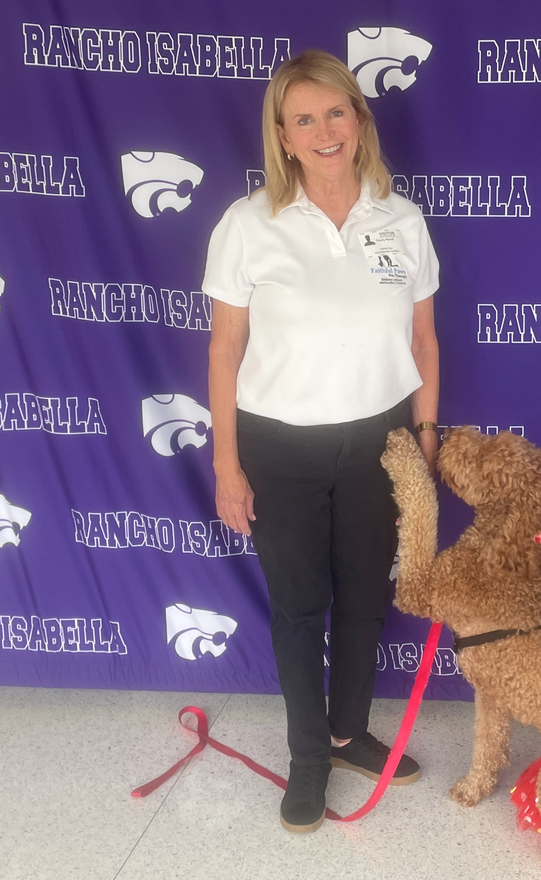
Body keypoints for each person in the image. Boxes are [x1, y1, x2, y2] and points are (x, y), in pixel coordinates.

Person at [203, 50, 440, 832]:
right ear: (284, 134)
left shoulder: (400, 218)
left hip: (379, 441)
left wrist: (425, 440)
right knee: (302, 608)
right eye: (304, 118)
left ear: (360, 120)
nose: (324, 129)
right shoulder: (248, 224)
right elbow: (225, 351)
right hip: (281, 446)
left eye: (336, 111)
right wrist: (227, 463)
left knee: (367, 600)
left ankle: (348, 734)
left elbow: (424, 339)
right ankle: (308, 756)